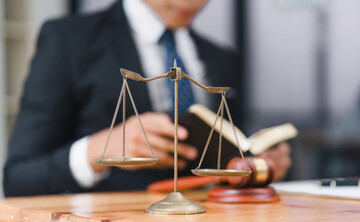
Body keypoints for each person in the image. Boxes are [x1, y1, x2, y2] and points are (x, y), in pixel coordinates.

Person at [3, 0, 291, 197]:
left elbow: (228, 157)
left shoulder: (222, 58)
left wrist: (256, 165)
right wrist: (97, 150)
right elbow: (18, 177)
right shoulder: (68, 41)